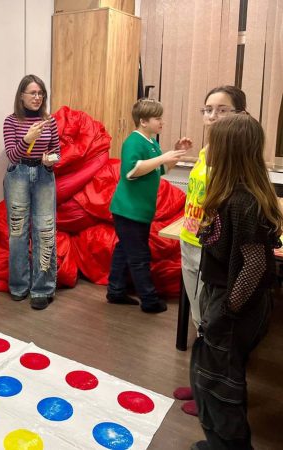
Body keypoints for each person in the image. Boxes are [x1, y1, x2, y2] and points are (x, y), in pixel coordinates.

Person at [190, 113, 282, 450]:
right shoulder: (230, 192)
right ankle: (218, 443)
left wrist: (227, 311)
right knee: (209, 378)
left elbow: (255, 266)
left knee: (221, 386)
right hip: (222, 294)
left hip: (233, 304)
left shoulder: (244, 202)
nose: (207, 149)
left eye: (213, 143)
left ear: (229, 150)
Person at [174, 86, 247, 416]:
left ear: (240, 115)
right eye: (208, 109)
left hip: (212, 251)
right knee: (198, 318)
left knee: (214, 325)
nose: (212, 116)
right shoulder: (206, 151)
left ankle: (212, 394)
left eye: (222, 110)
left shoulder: (236, 157)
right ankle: (201, 381)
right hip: (190, 242)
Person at [107, 99, 191, 313]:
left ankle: (115, 291)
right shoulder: (133, 142)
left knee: (124, 250)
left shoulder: (152, 143)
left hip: (140, 211)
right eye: (157, 118)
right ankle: (149, 300)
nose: (162, 122)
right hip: (128, 211)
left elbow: (161, 170)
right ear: (143, 121)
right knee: (139, 257)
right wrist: (163, 157)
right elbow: (131, 171)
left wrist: (176, 152)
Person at [3, 74, 60, 310]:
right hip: (18, 174)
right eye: (33, 93)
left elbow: (57, 150)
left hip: (44, 176)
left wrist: (51, 160)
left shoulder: (49, 121)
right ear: (22, 96)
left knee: (45, 231)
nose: (37, 98)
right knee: (17, 233)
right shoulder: (11, 121)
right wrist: (28, 139)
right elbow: (12, 155)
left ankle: (42, 289)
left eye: (41, 93)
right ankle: (19, 285)